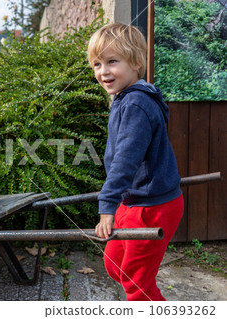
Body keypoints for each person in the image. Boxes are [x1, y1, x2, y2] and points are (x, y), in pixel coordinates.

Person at [87, 23, 184, 301]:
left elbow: (124, 163)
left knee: (136, 281)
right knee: (115, 265)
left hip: (152, 206)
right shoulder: (124, 99)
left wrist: (106, 207)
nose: (103, 71)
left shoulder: (136, 105)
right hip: (132, 201)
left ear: (136, 62)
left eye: (112, 61)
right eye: (97, 64)